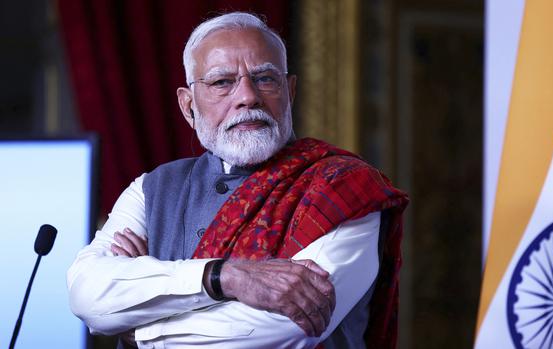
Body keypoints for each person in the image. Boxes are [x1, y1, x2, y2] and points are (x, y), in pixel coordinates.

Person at [67, 12, 408, 349]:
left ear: (289, 91)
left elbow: (287, 327)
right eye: (222, 82)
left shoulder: (344, 189)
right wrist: (224, 277)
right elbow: (87, 295)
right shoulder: (152, 190)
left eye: (264, 79)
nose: (247, 96)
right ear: (188, 106)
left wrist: (138, 325)